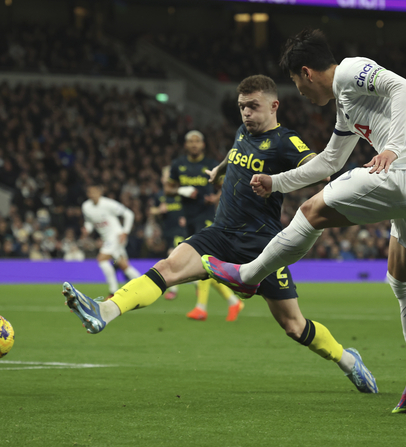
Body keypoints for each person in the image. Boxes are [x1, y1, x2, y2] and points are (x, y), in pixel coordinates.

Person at [62, 75, 378, 395]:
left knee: (294, 326)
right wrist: (220, 169)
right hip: (220, 233)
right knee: (167, 268)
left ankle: (348, 361)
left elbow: (320, 169)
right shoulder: (243, 130)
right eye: (242, 107)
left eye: (253, 106)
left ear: (274, 106)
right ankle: (105, 311)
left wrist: (278, 180)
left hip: (262, 245)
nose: (246, 113)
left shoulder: (285, 141)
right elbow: (235, 151)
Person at [202, 30, 406, 414]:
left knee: (310, 212)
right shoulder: (347, 107)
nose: (300, 92)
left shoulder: (351, 70)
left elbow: (404, 87)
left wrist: (392, 148)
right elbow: (329, 162)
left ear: (307, 72)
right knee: (403, 280)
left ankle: (248, 275)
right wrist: (276, 182)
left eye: (296, 82)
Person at [163, 130, 243, 321]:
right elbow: (168, 188)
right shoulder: (178, 165)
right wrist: (182, 190)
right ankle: (233, 301)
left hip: (206, 217)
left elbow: (225, 185)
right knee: (205, 264)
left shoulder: (210, 164)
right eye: (190, 141)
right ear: (185, 145)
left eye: (197, 141)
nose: (194, 144)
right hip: (188, 218)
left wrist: (214, 198)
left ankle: (201, 308)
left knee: (202, 258)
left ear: (203, 144)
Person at [81, 184, 141, 298]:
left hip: (116, 236)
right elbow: (89, 222)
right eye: (90, 192)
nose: (93, 195)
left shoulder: (108, 204)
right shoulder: (86, 207)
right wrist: (87, 229)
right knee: (123, 264)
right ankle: (144, 284)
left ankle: (113, 291)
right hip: (107, 239)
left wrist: (125, 231)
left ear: (100, 192)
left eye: (95, 192)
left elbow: (129, 214)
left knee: (101, 259)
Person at [150, 167, 187, 301]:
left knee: (172, 254)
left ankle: (173, 289)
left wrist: (186, 217)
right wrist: (159, 210)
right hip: (167, 231)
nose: (167, 178)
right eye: (165, 175)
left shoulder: (180, 193)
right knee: (179, 259)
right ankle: (198, 283)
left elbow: (191, 208)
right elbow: (152, 210)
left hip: (181, 230)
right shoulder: (159, 195)